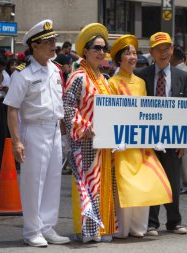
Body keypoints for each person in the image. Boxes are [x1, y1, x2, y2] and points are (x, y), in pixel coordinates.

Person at [3, 19, 70, 247]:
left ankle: (47, 227)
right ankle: (32, 230)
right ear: (34, 46)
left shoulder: (55, 69)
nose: (53, 45)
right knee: (34, 182)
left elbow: (58, 103)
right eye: (47, 41)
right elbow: (12, 109)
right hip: (34, 130)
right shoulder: (22, 74)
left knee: (53, 180)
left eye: (53, 40)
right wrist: (16, 141)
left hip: (53, 130)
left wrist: (63, 134)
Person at [108, 34, 172, 238]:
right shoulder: (112, 83)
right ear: (119, 58)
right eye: (127, 54)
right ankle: (122, 228)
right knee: (125, 187)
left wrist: (155, 136)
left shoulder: (141, 82)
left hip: (140, 144)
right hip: (122, 144)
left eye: (135, 53)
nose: (132, 57)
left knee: (144, 183)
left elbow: (145, 112)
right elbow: (110, 113)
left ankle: (138, 228)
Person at [63, 23, 117, 243]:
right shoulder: (78, 77)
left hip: (103, 142)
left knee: (103, 183)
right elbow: (67, 107)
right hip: (85, 140)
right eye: (96, 48)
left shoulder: (104, 79)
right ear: (85, 51)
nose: (101, 52)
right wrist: (83, 127)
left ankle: (102, 228)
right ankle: (87, 230)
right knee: (87, 184)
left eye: (104, 48)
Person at [135, 32, 187, 236]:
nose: (164, 53)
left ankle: (174, 221)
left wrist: (184, 139)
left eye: (167, 48)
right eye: (159, 49)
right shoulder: (140, 75)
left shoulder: (183, 77)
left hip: (173, 137)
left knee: (173, 180)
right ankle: (151, 223)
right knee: (151, 178)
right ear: (151, 52)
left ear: (172, 50)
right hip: (147, 136)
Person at [170, 45, 187, 194]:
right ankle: (185, 183)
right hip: (181, 116)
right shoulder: (184, 70)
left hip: (182, 117)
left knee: (184, 153)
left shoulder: (182, 71)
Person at [0, 54, 10, 174]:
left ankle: (1, 163)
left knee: (2, 133)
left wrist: (5, 89)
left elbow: (10, 89)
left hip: (2, 104)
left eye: (3, 66)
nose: (1, 69)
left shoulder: (5, 75)